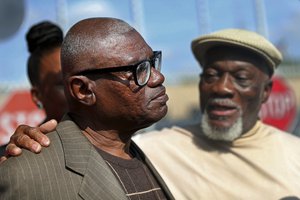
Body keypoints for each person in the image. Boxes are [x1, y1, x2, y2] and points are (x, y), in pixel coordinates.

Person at [3, 29, 300, 199]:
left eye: (241, 78)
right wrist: (24, 149)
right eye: (211, 75)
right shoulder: (161, 147)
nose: (222, 88)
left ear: (265, 92)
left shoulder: (295, 156)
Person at [0, 17, 174, 200]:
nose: (158, 78)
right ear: (82, 90)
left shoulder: (159, 155)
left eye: (152, 62)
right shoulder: (25, 174)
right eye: (137, 69)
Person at [0, 21, 67, 156]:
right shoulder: (17, 155)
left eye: (81, 77)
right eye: (63, 83)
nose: (79, 90)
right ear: (37, 95)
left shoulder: (114, 134)